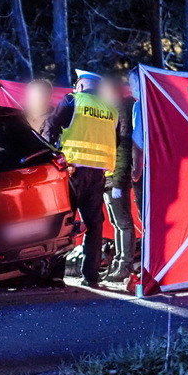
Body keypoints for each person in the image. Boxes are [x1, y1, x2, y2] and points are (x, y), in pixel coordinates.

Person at [43, 69, 118, 288]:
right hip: (98, 175)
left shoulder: (71, 100)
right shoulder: (111, 110)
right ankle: (91, 276)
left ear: (82, 85)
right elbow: (116, 143)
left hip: (71, 170)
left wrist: (51, 155)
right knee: (94, 225)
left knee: (63, 222)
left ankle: (56, 275)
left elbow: (50, 128)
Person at [99, 76, 135, 282]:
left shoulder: (121, 110)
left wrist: (119, 180)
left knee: (123, 222)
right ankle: (119, 262)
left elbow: (124, 147)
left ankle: (124, 265)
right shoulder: (110, 112)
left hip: (115, 176)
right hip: (108, 176)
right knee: (116, 222)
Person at [128, 68, 145, 222]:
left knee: (146, 213)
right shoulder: (161, 103)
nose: (130, 89)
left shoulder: (140, 105)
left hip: (147, 170)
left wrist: (136, 171)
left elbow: (138, 141)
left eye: (132, 84)